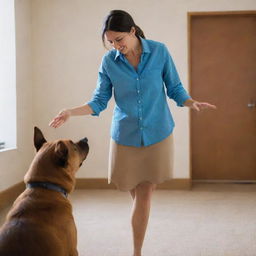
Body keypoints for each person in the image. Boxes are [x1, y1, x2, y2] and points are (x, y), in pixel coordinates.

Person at [49, 10, 216, 256]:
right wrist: (70, 112)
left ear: (133, 32)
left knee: (144, 194)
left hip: (158, 132)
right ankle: (141, 230)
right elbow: (99, 100)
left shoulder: (159, 52)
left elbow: (175, 87)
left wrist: (192, 103)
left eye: (119, 39)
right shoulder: (109, 62)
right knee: (137, 196)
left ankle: (136, 252)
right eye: (111, 42)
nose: (116, 46)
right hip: (125, 136)